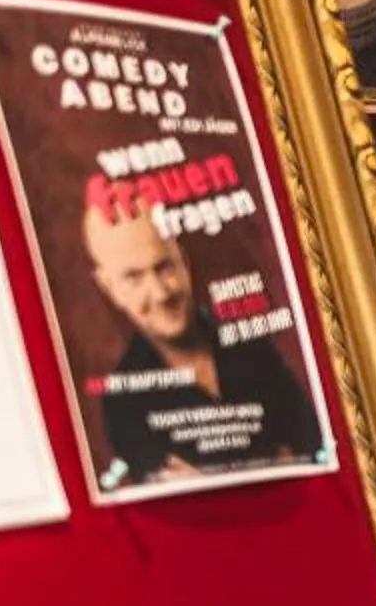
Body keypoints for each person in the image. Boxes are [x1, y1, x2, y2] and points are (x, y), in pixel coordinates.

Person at [82, 203, 321, 488]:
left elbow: (314, 451)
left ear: (184, 261)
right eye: (134, 278)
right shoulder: (123, 403)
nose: (160, 293)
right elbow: (191, 498)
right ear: (110, 289)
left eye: (165, 266)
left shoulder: (254, 347)